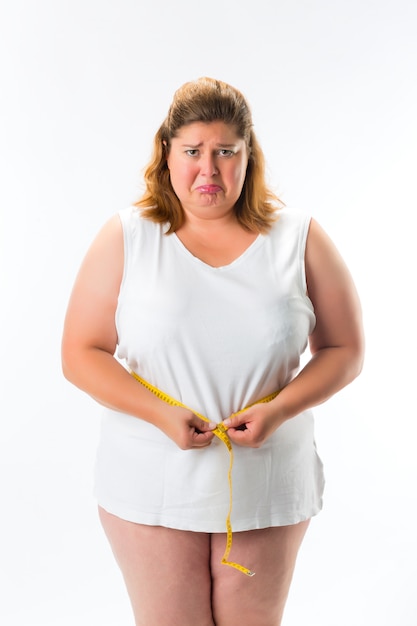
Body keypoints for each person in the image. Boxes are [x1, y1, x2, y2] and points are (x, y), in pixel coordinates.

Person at [61, 76, 364, 626]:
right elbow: (81, 352)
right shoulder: (128, 236)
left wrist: (279, 410)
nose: (209, 169)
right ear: (166, 153)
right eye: (193, 151)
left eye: (226, 151)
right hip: (149, 479)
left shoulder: (298, 237)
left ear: (249, 157)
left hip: (268, 477)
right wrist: (161, 413)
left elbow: (345, 348)